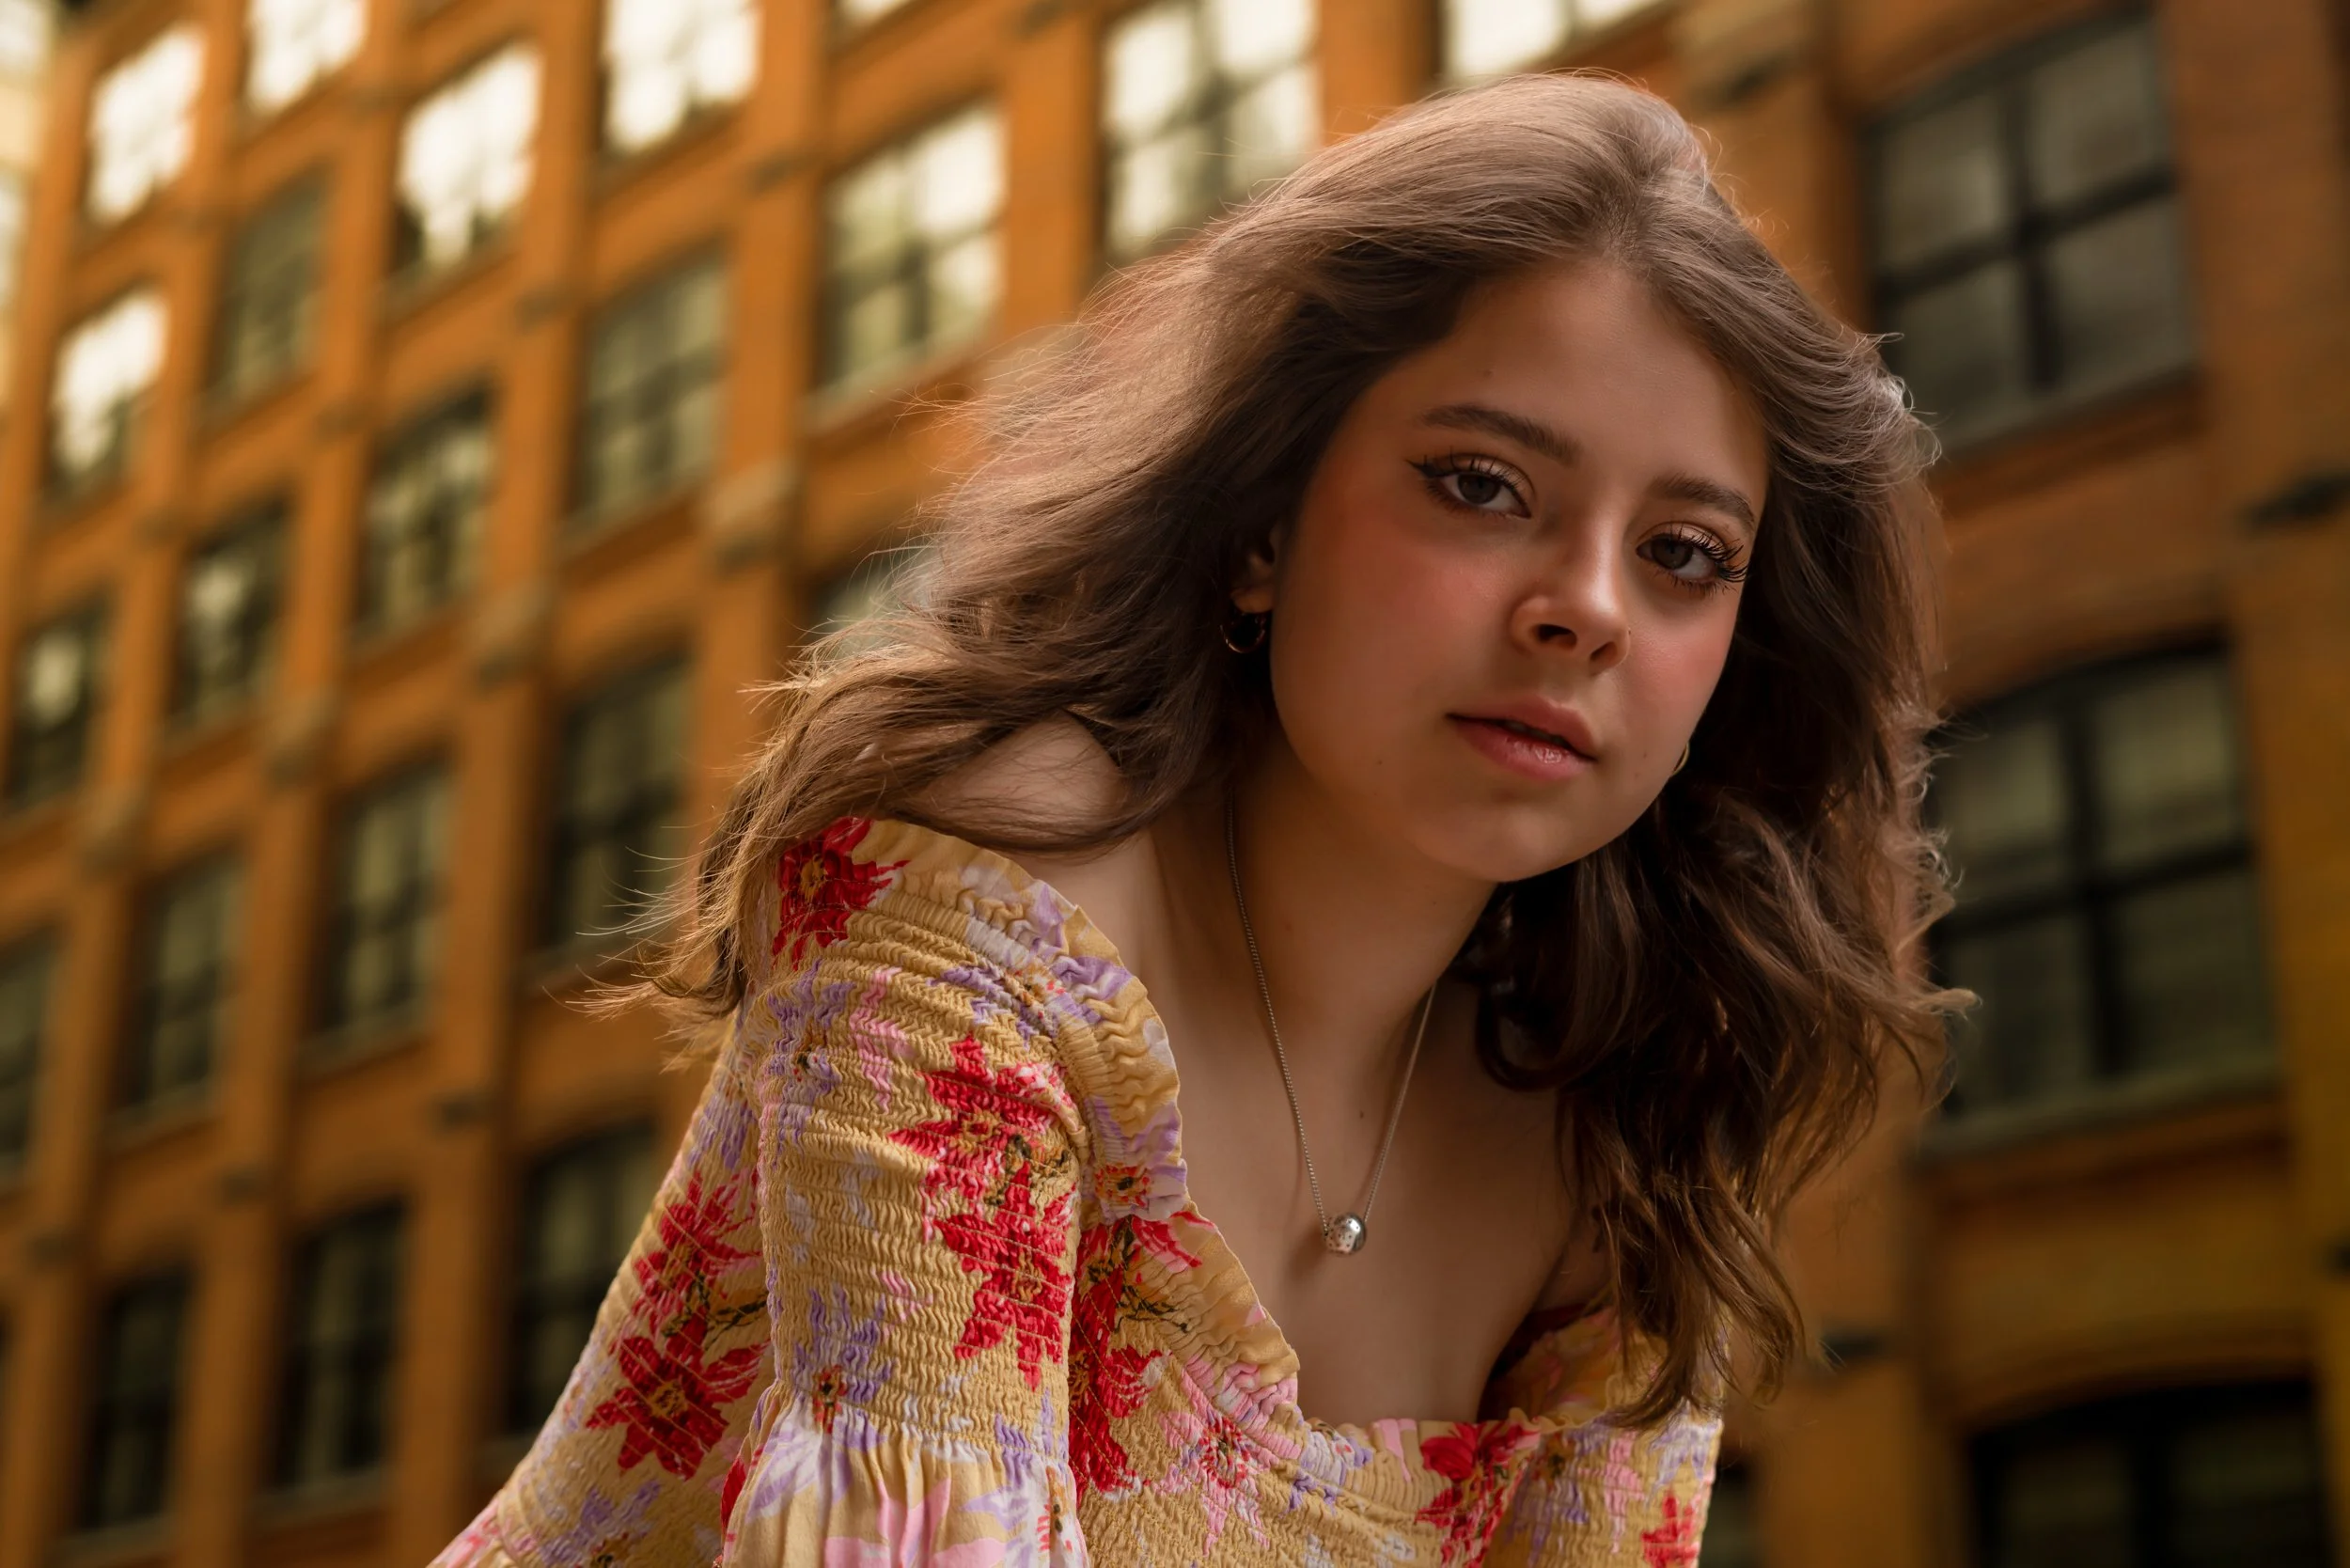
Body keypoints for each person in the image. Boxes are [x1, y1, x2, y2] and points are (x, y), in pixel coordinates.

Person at [434, 71, 1957, 1568]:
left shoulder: (1626, 1102)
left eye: (1687, 552)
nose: (1587, 610)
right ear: (1260, 530)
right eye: (1483, 485)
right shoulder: (981, 899)